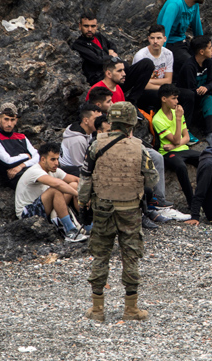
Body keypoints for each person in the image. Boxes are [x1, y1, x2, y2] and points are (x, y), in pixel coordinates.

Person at [79, 102, 158, 322]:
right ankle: (131, 309)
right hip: (130, 208)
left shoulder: (96, 145)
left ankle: (97, 309)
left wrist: (83, 202)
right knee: (131, 255)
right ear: (132, 122)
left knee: (100, 255)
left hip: (102, 208)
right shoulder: (139, 147)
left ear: (111, 121)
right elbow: (152, 178)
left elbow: (85, 177)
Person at [70, 10, 155, 103]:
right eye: (86, 26)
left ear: (96, 26)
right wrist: (111, 57)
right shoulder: (79, 44)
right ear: (80, 26)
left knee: (147, 64)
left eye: (92, 26)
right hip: (103, 81)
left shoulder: (99, 36)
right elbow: (97, 60)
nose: (89, 29)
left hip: (118, 76)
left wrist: (111, 50)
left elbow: (112, 45)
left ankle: (132, 101)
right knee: (123, 66)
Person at [14, 142, 87, 242]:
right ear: (43, 159)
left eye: (57, 159)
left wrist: (90, 193)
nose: (56, 163)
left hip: (44, 206)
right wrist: (80, 195)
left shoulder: (54, 170)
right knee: (55, 190)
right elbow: (58, 184)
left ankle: (88, 226)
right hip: (27, 212)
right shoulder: (35, 171)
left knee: (74, 185)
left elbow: (76, 180)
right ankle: (70, 231)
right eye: (53, 159)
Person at [152, 84, 200, 212]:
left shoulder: (177, 111)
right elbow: (178, 138)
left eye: (177, 98)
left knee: (205, 158)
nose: (177, 102)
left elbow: (187, 138)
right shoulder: (158, 119)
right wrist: (178, 118)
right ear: (164, 99)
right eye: (173, 98)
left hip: (180, 148)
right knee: (180, 166)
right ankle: (192, 203)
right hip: (167, 153)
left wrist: (174, 145)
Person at [156, 0, 207, 71]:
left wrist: (204, 48)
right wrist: (160, 56)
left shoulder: (194, 4)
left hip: (183, 42)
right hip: (170, 44)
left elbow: (197, 29)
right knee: (190, 63)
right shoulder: (175, 4)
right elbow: (163, 30)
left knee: (210, 61)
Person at [0, 103, 39, 189]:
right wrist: (26, 156)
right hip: (13, 177)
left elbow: (37, 157)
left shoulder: (22, 137)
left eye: (12, 120)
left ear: (16, 121)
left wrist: (21, 165)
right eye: (6, 119)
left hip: (29, 170)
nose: (9, 124)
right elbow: (8, 161)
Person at [131, 24, 175, 112]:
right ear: (148, 39)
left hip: (159, 87)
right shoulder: (141, 56)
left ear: (164, 39)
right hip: (142, 92)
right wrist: (163, 89)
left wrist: (149, 81)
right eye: (152, 38)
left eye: (158, 38)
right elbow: (142, 85)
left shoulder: (168, 54)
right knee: (162, 97)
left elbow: (168, 80)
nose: (155, 41)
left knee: (187, 95)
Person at [60, 103, 103, 176]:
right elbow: (80, 166)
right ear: (86, 120)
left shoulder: (89, 132)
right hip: (70, 172)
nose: (100, 122)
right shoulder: (77, 140)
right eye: (96, 119)